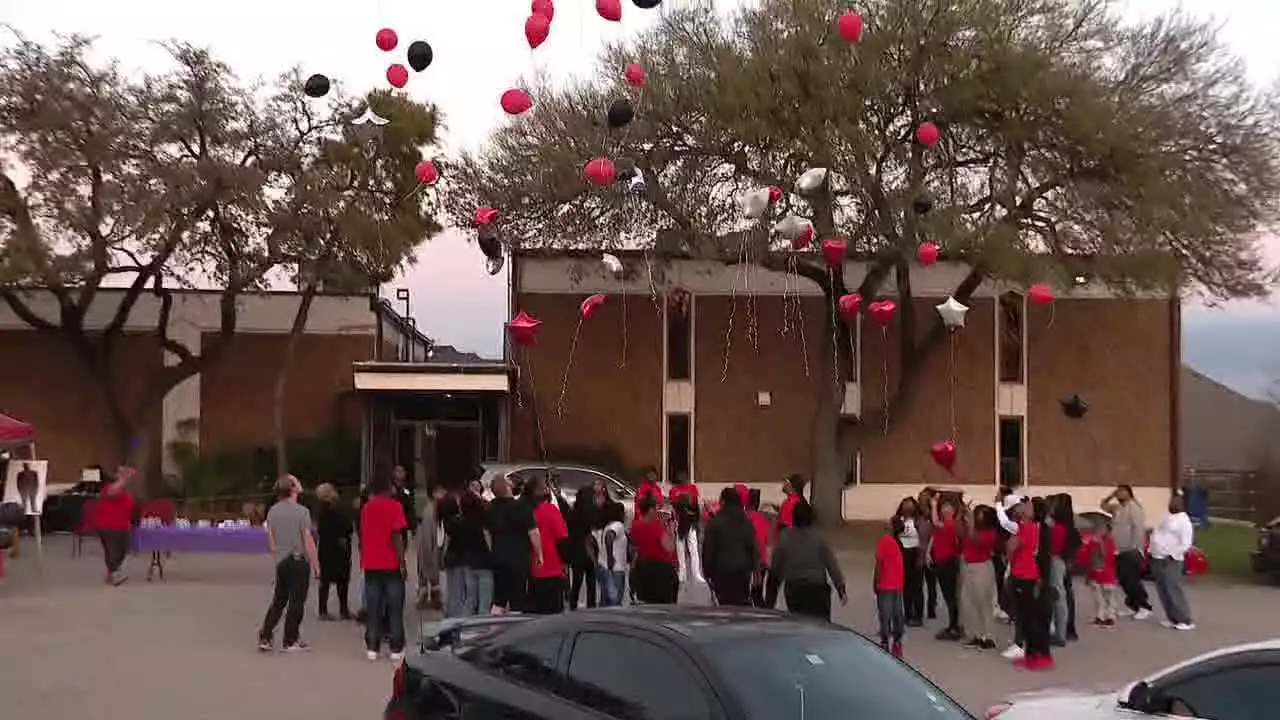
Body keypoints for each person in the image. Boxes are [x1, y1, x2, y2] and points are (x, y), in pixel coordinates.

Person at [258, 475, 321, 653]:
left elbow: (270, 537)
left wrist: (277, 555)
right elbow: (307, 538)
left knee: (279, 599)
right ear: (293, 488)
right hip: (298, 559)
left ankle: (266, 635)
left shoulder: (272, 511)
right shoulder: (302, 512)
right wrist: (316, 564)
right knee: (297, 600)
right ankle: (290, 639)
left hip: (282, 560)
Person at [996, 495, 1053, 670]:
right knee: (1025, 617)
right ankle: (1032, 653)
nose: (1023, 507)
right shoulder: (1025, 527)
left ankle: (1040, 654)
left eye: (1027, 506)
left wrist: (1010, 556)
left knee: (1030, 618)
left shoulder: (1029, 528)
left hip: (1025, 576)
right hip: (1023, 574)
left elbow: (1011, 547)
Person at [767, 502, 847, 621]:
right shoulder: (819, 537)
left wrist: (772, 589)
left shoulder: (785, 537)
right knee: (820, 623)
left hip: (795, 588)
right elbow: (831, 564)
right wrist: (840, 588)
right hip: (817, 587)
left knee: (799, 622)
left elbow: (776, 565)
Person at [359, 473, 409, 661]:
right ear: (388, 488)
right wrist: (402, 562)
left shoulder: (366, 508)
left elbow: (363, 535)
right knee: (395, 606)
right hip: (391, 562)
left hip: (371, 561)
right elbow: (396, 535)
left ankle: (372, 646)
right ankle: (396, 647)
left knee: (373, 606)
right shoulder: (395, 506)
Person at [701, 487, 758, 606]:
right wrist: (755, 569)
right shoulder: (746, 521)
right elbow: (752, 546)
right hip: (742, 570)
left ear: (723, 501)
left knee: (725, 605)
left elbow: (708, 549)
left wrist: (707, 572)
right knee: (740, 603)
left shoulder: (715, 522)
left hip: (722, 571)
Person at [1101, 484, 1151, 620]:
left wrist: (1136, 548)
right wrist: (1110, 495)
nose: (1119, 494)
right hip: (1118, 550)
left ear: (1129, 493)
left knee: (1132, 580)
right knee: (1123, 580)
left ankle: (1144, 606)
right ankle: (1133, 606)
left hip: (1131, 550)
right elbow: (1103, 506)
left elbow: (1138, 529)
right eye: (1117, 492)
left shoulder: (1134, 508)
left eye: (1122, 492)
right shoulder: (1118, 508)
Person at [1148, 494, 1195, 631]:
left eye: (1176, 502)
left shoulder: (1183, 521)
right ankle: (1172, 617)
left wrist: (1172, 554)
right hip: (1157, 557)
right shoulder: (1167, 517)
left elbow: (1186, 543)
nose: (1172, 503)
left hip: (1170, 559)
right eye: (1171, 501)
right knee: (1163, 590)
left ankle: (1185, 619)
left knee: (1173, 588)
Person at [488, 476, 535, 614]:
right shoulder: (520, 507)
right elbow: (533, 532)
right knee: (517, 600)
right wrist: (539, 554)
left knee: (499, 599)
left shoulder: (491, 508)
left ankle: (494, 627)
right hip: (517, 559)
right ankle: (515, 630)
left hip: (498, 557)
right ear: (507, 487)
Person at [527, 474, 570, 614]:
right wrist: (564, 564)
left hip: (534, 570)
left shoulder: (528, 512)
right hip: (552, 569)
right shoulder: (551, 510)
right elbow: (562, 538)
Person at [959, 504, 999, 650]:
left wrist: (970, 523)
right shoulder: (973, 529)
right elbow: (962, 535)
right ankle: (976, 635)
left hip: (982, 567)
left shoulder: (990, 532)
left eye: (979, 514)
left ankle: (988, 637)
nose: (977, 516)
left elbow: (976, 540)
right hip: (969, 566)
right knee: (969, 602)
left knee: (984, 603)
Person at [314, 483, 354, 620]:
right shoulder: (336, 510)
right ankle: (342, 610)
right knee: (341, 580)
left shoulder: (321, 512)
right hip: (339, 548)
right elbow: (348, 526)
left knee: (326, 581)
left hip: (326, 549)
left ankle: (324, 610)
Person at [630, 494, 679, 604]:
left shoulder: (635, 525)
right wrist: (671, 530)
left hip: (642, 569)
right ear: (651, 510)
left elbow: (635, 546)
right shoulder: (657, 527)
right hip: (660, 571)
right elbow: (669, 548)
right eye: (656, 508)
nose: (658, 511)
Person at [1047, 495, 1081, 645]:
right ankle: (1066, 629)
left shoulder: (1058, 527)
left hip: (1056, 561)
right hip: (1064, 561)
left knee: (1058, 596)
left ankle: (1060, 633)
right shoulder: (1069, 525)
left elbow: (1053, 547)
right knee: (1065, 594)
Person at [928, 495, 963, 640]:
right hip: (940, 561)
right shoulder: (944, 523)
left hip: (948, 562)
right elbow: (934, 536)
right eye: (944, 507)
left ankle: (954, 626)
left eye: (949, 507)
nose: (945, 509)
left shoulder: (951, 523)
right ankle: (953, 625)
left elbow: (935, 522)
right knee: (947, 594)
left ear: (954, 511)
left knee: (950, 595)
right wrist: (928, 552)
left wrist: (934, 505)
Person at [96, 466, 136, 586]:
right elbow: (111, 493)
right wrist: (123, 479)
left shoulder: (125, 491)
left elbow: (128, 508)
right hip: (109, 526)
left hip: (122, 526)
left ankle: (111, 573)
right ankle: (113, 574)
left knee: (122, 550)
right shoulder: (109, 488)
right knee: (112, 550)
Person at [874, 516, 906, 657]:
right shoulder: (899, 543)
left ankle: (885, 640)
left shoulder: (884, 541)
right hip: (897, 583)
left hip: (885, 583)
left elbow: (879, 563)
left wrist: (876, 580)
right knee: (897, 613)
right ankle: (898, 641)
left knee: (885, 614)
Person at [894, 497, 926, 626]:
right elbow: (893, 537)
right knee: (906, 588)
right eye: (905, 506)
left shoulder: (920, 521)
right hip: (903, 556)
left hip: (916, 555)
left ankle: (918, 616)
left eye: (910, 506)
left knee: (917, 588)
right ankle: (907, 615)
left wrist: (921, 557)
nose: (907, 508)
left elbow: (922, 541)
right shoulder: (897, 521)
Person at [566, 484, 599, 610]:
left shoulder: (573, 513)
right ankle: (591, 607)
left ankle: (573, 606)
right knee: (591, 584)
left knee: (576, 583)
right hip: (589, 552)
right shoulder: (593, 513)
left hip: (577, 552)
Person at [415, 484, 447, 612]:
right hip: (430, 547)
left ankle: (433, 597)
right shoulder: (430, 510)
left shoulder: (437, 508)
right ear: (434, 493)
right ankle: (428, 597)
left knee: (432, 572)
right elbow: (427, 536)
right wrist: (429, 550)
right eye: (442, 491)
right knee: (429, 570)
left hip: (435, 546)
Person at [1084, 518, 1120, 627]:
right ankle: (1103, 617)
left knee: (1104, 598)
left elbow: (1110, 558)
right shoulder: (1099, 542)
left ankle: (1107, 617)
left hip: (1103, 575)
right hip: (1101, 575)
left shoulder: (1105, 542)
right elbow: (1086, 557)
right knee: (1101, 598)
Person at [594, 500, 628, 607]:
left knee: (606, 600)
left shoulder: (608, 525)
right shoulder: (618, 525)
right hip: (615, 569)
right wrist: (610, 558)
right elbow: (609, 537)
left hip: (604, 567)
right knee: (614, 603)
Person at [746, 489, 772, 607]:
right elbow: (766, 540)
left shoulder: (745, 518)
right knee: (757, 594)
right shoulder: (763, 519)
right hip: (763, 561)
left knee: (747, 595)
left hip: (750, 561)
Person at [917, 489, 939, 621]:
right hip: (919, 553)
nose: (922, 501)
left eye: (924, 498)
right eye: (920, 498)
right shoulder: (917, 517)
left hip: (931, 554)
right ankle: (919, 609)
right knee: (918, 583)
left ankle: (931, 608)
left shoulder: (934, 517)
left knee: (931, 584)